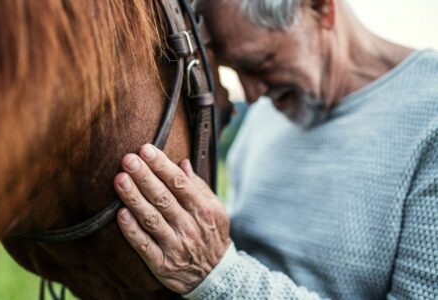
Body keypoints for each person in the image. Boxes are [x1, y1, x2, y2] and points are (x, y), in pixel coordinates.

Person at [112, 0, 438, 298]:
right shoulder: (269, 113)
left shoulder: (429, 116)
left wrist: (217, 276)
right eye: (235, 71)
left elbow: (224, 270)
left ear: (320, 8)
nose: (253, 96)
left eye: (260, 63)